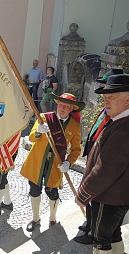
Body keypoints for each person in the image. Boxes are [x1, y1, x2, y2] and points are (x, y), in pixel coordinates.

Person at [75, 74, 129, 254]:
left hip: (108, 196)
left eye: (111, 97)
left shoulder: (123, 128)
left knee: (100, 239)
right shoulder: (120, 122)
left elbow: (106, 169)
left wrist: (83, 194)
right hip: (116, 196)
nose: (106, 102)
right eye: (105, 98)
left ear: (128, 100)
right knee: (113, 234)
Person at [21, 93, 84, 232]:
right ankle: (36, 219)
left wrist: (68, 163)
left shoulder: (74, 126)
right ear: (57, 104)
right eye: (61, 105)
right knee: (34, 190)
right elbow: (31, 138)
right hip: (37, 162)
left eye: (66, 106)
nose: (62, 108)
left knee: (52, 192)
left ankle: (52, 219)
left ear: (71, 109)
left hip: (55, 166)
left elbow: (76, 149)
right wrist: (38, 131)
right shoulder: (44, 118)